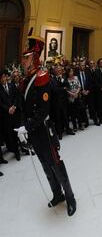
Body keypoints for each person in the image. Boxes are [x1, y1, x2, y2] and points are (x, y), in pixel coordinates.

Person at [15, 29, 76, 216]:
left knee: (56, 164)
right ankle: (57, 194)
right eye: (24, 58)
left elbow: (43, 111)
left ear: (34, 58)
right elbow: (25, 107)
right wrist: (25, 128)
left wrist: (28, 126)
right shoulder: (27, 79)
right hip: (35, 131)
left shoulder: (42, 78)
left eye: (26, 57)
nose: (23, 61)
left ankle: (70, 196)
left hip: (44, 131)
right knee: (44, 165)